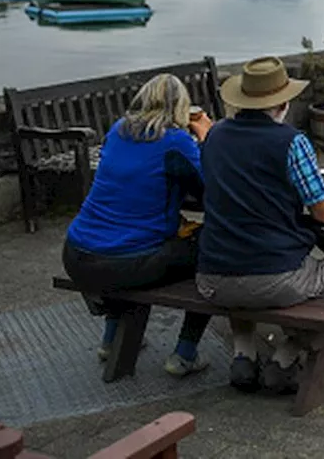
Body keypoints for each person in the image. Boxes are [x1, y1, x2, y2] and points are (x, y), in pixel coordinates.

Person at [195, 56, 324, 395]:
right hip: (274, 278)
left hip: (212, 276)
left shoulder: (214, 137)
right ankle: (284, 360)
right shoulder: (290, 141)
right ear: (283, 103)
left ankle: (244, 352)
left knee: (240, 260)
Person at [61, 73, 214, 377]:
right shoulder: (177, 142)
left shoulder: (118, 130)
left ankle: (110, 341)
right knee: (214, 247)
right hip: (123, 264)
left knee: (126, 238)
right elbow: (213, 190)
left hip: (76, 253)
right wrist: (207, 138)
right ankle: (184, 353)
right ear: (181, 109)